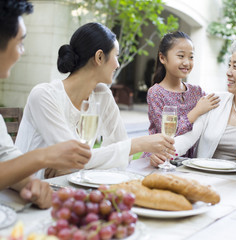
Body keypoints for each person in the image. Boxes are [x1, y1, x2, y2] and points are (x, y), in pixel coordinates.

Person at [15, 22, 175, 179]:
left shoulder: (102, 94)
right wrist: (138, 144)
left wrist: (77, 166)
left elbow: (122, 157)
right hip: (27, 192)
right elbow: (73, 157)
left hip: (69, 187)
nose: (118, 64)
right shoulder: (44, 96)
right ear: (99, 57)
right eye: (116, 56)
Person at [0, 0, 91, 208]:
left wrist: (30, 183)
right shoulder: (44, 94)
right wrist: (41, 157)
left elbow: (3, 154)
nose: (22, 52)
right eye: (20, 43)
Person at [150, 36, 236, 167]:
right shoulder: (215, 101)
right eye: (229, 65)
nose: (228, 72)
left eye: (235, 67)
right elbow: (189, 138)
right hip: (204, 178)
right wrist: (165, 153)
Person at [144, 31, 220, 159]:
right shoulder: (156, 93)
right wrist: (197, 111)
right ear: (162, 58)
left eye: (191, 57)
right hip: (159, 158)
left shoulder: (197, 91)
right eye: (181, 56)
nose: (187, 62)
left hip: (188, 161)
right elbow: (168, 134)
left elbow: (219, 105)